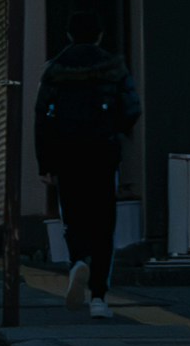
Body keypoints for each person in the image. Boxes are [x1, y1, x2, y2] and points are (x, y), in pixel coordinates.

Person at [31, 26, 140, 316]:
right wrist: (113, 128)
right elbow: (132, 107)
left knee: (74, 216)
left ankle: (78, 259)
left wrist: (45, 163)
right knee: (104, 224)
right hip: (102, 153)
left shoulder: (54, 69)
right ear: (99, 35)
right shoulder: (113, 67)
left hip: (66, 155)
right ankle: (99, 299)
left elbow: (41, 117)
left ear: (69, 35)